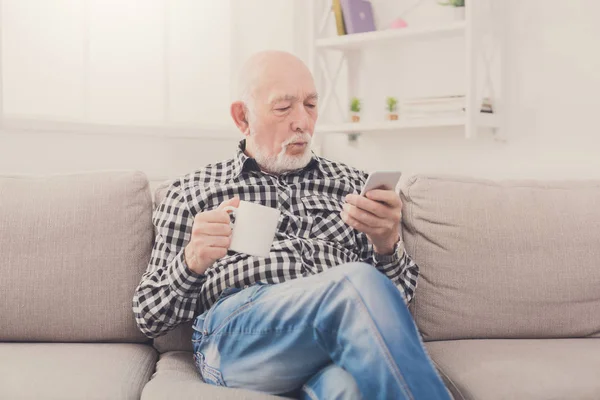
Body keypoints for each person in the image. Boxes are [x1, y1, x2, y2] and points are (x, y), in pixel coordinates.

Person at [133, 51, 450, 400]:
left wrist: (387, 244)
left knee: (347, 389)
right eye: (284, 108)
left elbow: (394, 311)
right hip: (240, 336)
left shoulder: (354, 186)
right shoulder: (192, 191)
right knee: (355, 284)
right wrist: (193, 260)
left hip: (333, 342)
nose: (303, 122)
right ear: (243, 117)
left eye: (311, 105)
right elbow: (149, 317)